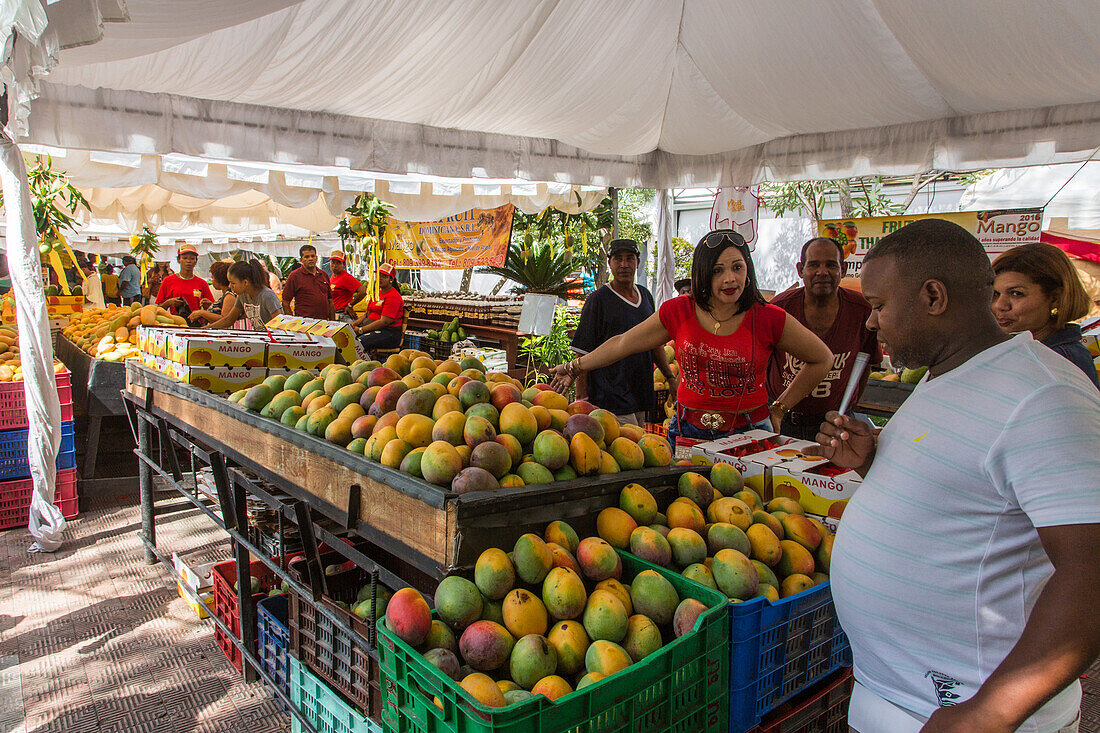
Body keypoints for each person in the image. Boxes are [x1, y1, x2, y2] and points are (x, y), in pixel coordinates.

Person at [815, 219, 1100, 733]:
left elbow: (1092, 571)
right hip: (895, 696)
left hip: (967, 712)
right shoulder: (945, 374)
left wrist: (993, 710)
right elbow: (964, 495)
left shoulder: (1044, 395)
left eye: (879, 305)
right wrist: (872, 459)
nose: (872, 323)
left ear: (932, 297)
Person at [551, 229, 832, 440]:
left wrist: (780, 408)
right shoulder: (679, 311)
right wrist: (574, 367)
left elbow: (822, 359)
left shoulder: (769, 317)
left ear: (748, 269)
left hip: (751, 432)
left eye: (737, 267)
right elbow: (623, 343)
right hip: (688, 431)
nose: (729, 279)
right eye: (717, 270)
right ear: (702, 273)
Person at [767, 237, 881, 439]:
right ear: (800, 270)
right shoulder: (780, 309)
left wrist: (848, 406)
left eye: (830, 265)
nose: (822, 272)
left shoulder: (862, 311)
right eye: (813, 265)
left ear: (843, 269)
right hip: (782, 421)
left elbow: (866, 366)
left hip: (833, 425)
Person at [569, 239, 675, 426]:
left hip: (640, 393)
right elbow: (582, 351)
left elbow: (655, 343)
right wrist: (581, 399)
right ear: (609, 263)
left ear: (638, 263)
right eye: (618, 259)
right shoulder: (598, 300)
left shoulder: (646, 297)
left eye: (629, 259)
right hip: (610, 397)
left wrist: (669, 377)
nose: (624, 265)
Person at [992, 242, 1099, 389]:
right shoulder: (1024, 348)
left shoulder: (1059, 360)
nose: (1000, 305)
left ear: (1055, 298)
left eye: (1016, 294)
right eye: (995, 294)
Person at [206, 260, 283, 331]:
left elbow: (279, 323)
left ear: (245, 282)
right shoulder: (242, 296)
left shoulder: (267, 296)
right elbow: (229, 320)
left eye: (233, 283)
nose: (229, 286)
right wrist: (206, 329)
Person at [353, 262, 404, 351]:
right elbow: (366, 315)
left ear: (391, 279)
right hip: (372, 327)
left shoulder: (393, 296)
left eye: (384, 276)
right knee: (348, 337)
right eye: (379, 275)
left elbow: (384, 322)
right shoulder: (376, 294)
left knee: (359, 343)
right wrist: (353, 325)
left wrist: (361, 330)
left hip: (389, 332)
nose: (380, 278)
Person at [155, 245, 213, 319]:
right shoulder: (168, 281)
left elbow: (211, 308)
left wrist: (208, 305)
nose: (188, 261)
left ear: (196, 261)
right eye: (184, 258)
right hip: (175, 323)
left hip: (195, 325)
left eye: (192, 258)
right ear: (178, 260)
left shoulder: (202, 283)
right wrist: (168, 303)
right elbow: (159, 309)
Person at [281, 244, 333, 319]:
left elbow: (330, 301)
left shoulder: (323, 275)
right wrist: (292, 321)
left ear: (316, 258)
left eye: (313, 256)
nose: (310, 259)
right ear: (301, 260)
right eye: (306, 257)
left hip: (323, 323)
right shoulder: (294, 276)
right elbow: (285, 302)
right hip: (303, 324)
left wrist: (332, 322)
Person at [187, 261, 236, 326]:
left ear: (219, 279)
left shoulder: (229, 296)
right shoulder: (226, 295)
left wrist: (202, 313)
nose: (212, 281)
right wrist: (211, 305)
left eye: (213, 278)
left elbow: (225, 319)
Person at [328, 251, 369, 320]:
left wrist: (350, 305)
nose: (334, 265)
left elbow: (363, 291)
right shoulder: (333, 276)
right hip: (335, 314)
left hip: (343, 315)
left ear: (344, 265)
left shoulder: (346, 277)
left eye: (338, 263)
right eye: (333, 262)